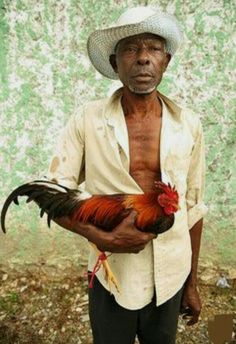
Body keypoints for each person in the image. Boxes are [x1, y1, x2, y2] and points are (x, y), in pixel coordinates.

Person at [47, 6, 208, 344]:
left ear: (166, 60)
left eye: (152, 48)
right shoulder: (86, 120)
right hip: (111, 274)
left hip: (170, 273)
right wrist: (99, 237)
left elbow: (193, 208)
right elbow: (55, 192)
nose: (143, 59)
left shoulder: (189, 125)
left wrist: (191, 284)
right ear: (114, 62)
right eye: (131, 49)